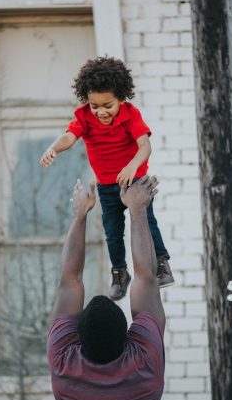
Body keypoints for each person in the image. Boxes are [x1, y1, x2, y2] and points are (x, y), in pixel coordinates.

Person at [47, 175, 166, 400]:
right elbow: (146, 279)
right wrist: (137, 210)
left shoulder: (64, 366)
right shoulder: (145, 366)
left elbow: (68, 281)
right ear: (128, 338)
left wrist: (80, 213)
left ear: (78, 342)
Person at [40, 56, 174, 300]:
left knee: (147, 221)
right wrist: (53, 148)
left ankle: (161, 263)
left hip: (134, 181)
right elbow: (69, 137)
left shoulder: (131, 116)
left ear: (122, 98)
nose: (101, 111)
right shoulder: (84, 117)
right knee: (112, 231)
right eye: (95, 105)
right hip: (106, 185)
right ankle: (120, 273)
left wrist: (133, 166)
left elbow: (145, 146)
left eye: (108, 105)